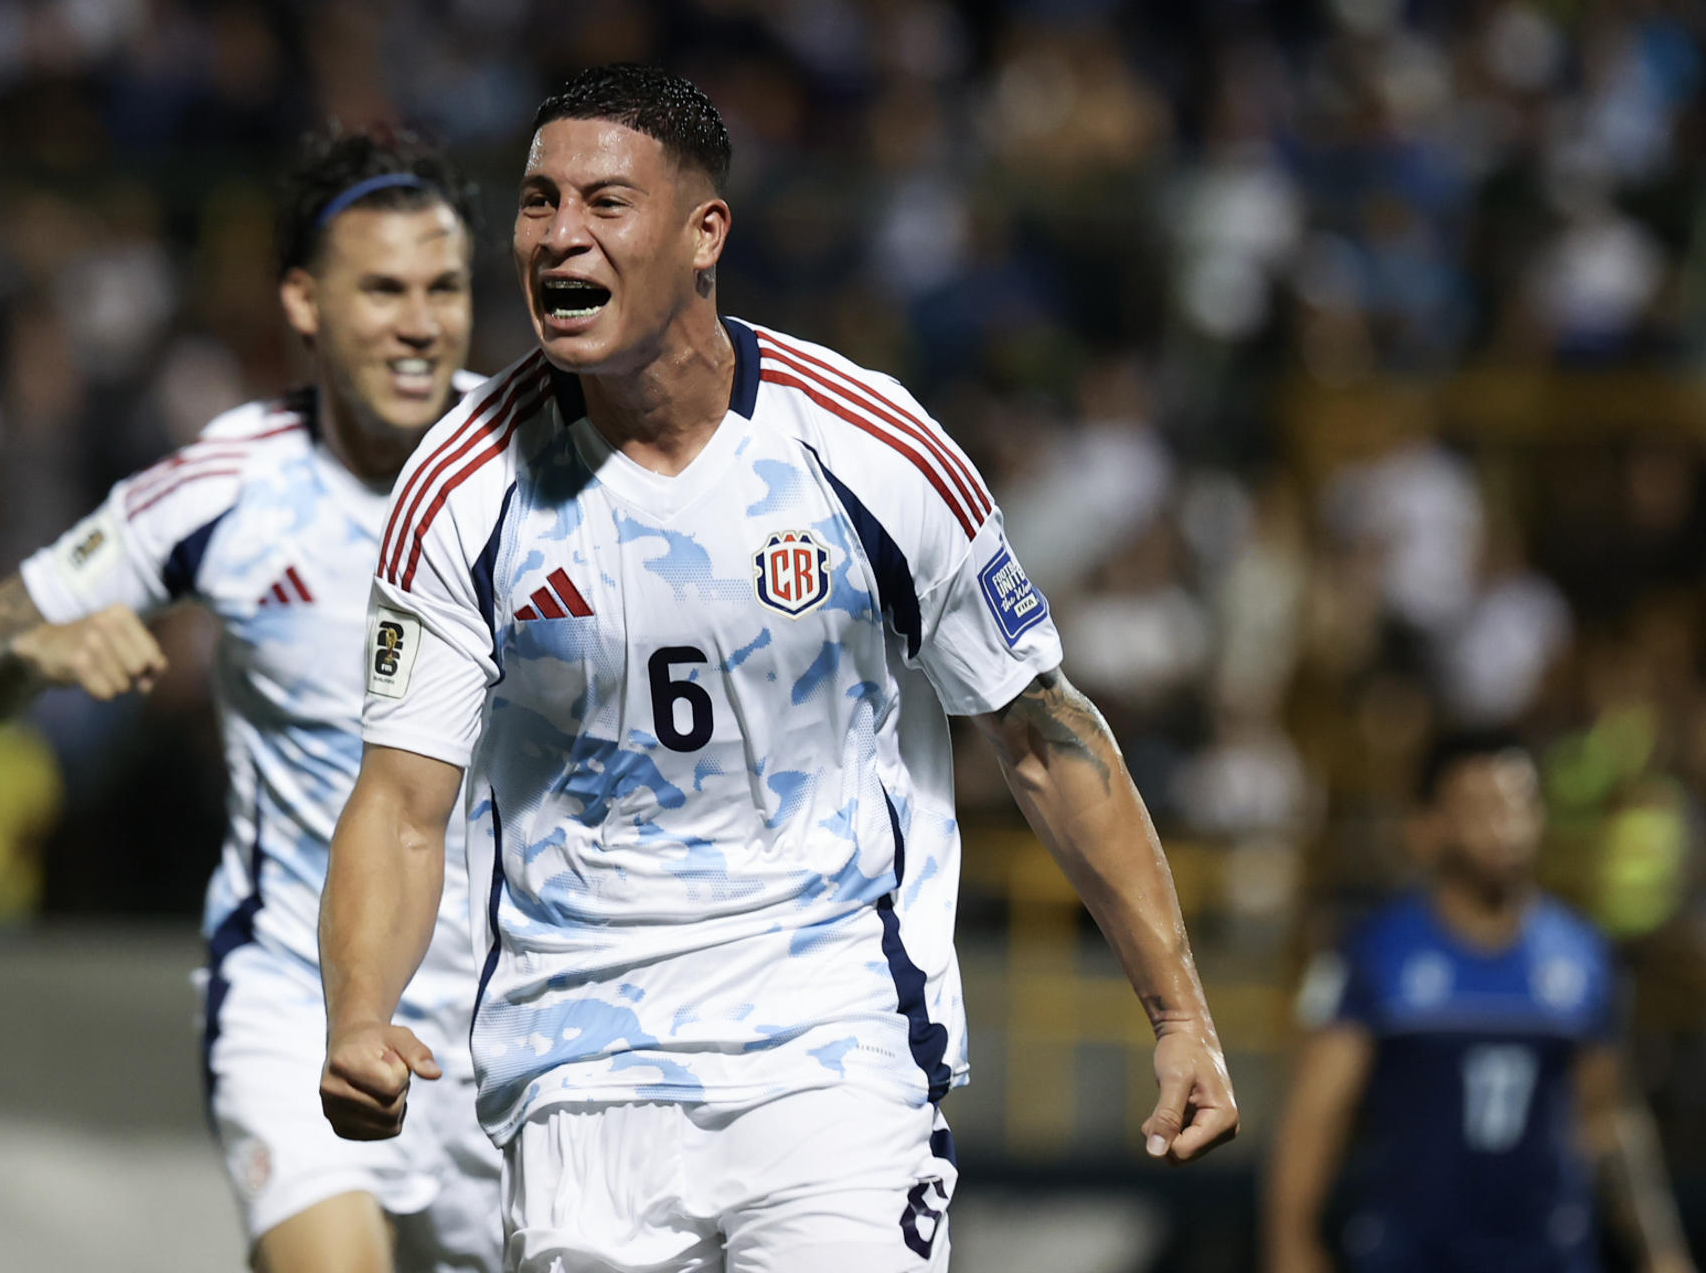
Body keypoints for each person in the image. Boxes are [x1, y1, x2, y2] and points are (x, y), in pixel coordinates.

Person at [318, 64, 1237, 1272]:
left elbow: (1042, 735)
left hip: (830, 1050)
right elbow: (399, 799)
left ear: (706, 234)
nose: (557, 236)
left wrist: (1180, 1014)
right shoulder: (462, 486)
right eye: (538, 203)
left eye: (604, 202)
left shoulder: (870, 450)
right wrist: (360, 1017)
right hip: (580, 1068)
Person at [0, 128, 502, 1273]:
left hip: (514, 1017)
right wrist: (36, 651)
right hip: (293, 990)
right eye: (381, 288)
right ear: (303, 300)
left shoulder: (541, 461)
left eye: (443, 288)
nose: (420, 323)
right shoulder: (228, 486)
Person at [1264, 731, 1697, 1273]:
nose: (1507, 828)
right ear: (1428, 828)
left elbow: (1607, 1117)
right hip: (1410, 1255)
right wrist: (1291, 1245)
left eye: (1521, 806)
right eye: (1483, 809)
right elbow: (1317, 1115)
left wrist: (1660, 1250)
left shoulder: (1583, 954)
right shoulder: (1376, 954)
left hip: (1549, 1257)